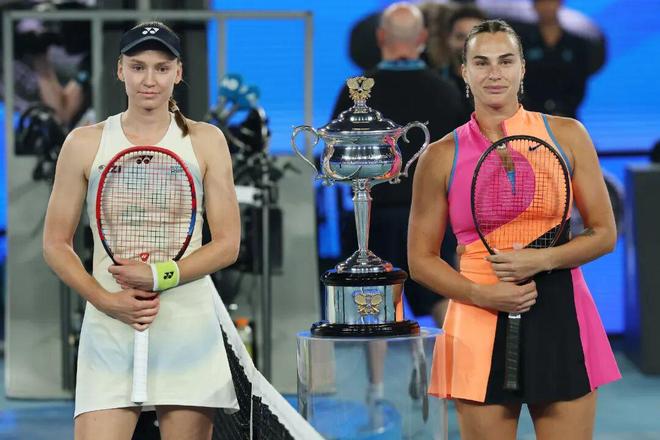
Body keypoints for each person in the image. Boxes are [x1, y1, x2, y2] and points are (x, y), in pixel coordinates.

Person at [408, 19, 621, 439]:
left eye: (506, 61)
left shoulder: (569, 135)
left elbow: (604, 233)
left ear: (522, 68)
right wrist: (481, 294)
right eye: (481, 62)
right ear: (464, 71)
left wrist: (543, 259)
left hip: (561, 315)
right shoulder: (439, 156)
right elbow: (420, 260)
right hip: (477, 316)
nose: (495, 73)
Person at [43, 22, 240, 439]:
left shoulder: (207, 141)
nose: (149, 80)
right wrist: (106, 301)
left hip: (187, 324)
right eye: (138, 67)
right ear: (120, 70)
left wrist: (158, 275)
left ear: (178, 73)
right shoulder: (83, 143)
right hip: (110, 323)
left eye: (162, 68)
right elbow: (56, 244)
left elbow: (227, 244)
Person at [331, 1, 463, 328]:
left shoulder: (356, 95)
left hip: (374, 217)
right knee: (442, 298)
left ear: (380, 37)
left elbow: (334, 153)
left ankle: (378, 366)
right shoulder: (447, 92)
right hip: (435, 217)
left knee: (376, 302)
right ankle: (457, 360)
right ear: (422, 37)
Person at [517, 0, 595, 119]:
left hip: (567, 117)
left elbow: (579, 83)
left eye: (551, 2)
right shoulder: (522, 43)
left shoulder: (576, 43)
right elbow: (518, 81)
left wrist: (562, 110)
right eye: (542, 2)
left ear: (560, 4)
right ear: (534, 6)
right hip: (531, 116)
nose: (547, 7)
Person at [439, 4, 487, 123]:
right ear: (448, 39)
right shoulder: (434, 85)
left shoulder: (503, 86)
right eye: (460, 37)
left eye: (475, 38)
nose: (468, 45)